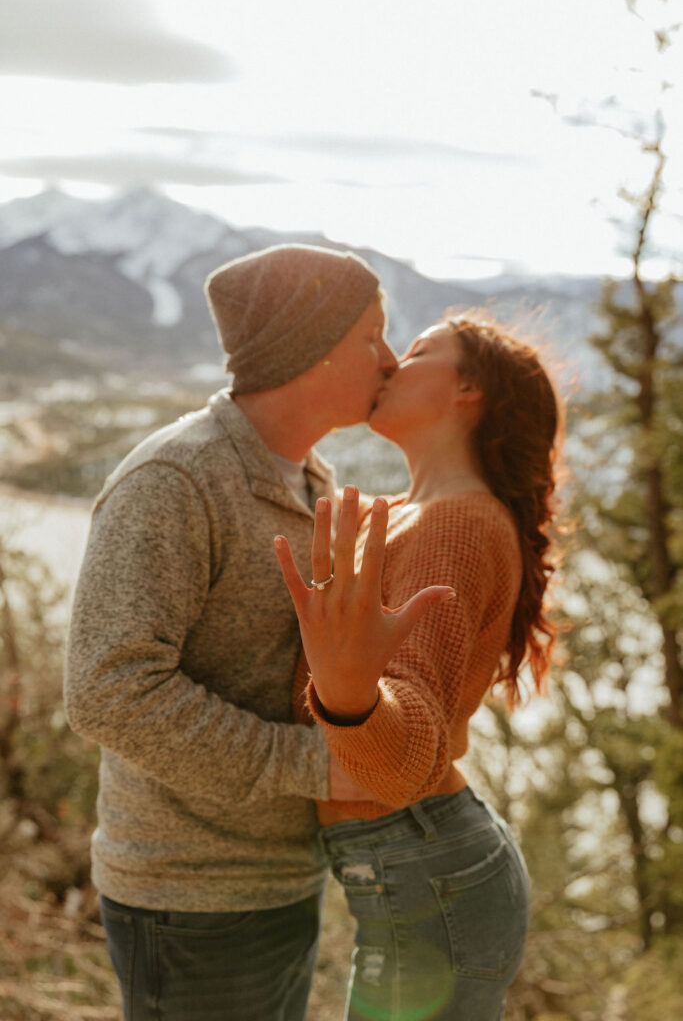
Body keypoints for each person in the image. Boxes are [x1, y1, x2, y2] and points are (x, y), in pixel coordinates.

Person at [63, 243, 399, 1021]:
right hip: (188, 897)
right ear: (308, 350)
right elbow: (107, 692)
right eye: (368, 338)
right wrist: (310, 764)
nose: (388, 359)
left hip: (279, 878)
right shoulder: (177, 480)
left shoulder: (313, 480)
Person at [275, 313, 562, 1021]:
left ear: (468, 387)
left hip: (428, 872)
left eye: (416, 352)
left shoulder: (456, 525)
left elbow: (403, 760)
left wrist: (347, 697)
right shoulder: (414, 513)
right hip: (422, 869)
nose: (390, 366)